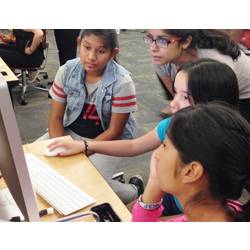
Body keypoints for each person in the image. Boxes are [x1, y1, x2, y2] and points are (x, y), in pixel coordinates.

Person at [47, 58, 240, 212]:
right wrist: (85, 145)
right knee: (119, 216)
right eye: (174, 93)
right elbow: (134, 146)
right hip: (167, 194)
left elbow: (199, 218)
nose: (172, 104)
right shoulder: (174, 125)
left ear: (211, 103)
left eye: (185, 97)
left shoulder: (222, 159)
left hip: (190, 210)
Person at [41, 29, 142, 204]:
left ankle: (132, 191)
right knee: (36, 169)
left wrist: (82, 150)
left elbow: (114, 132)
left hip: (106, 142)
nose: (91, 56)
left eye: (101, 51)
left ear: (113, 53)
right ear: (79, 43)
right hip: (69, 132)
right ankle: (112, 186)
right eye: (86, 47)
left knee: (83, 189)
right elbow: (55, 118)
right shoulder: (66, 71)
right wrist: (61, 148)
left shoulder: (122, 82)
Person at [132, 103, 250, 222]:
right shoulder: (232, 208)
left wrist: (154, 182)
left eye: (164, 146)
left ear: (191, 171)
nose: (157, 154)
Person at [145, 29, 250, 122]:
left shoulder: (215, 62)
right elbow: (177, 97)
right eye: (150, 38)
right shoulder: (161, 59)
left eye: (162, 40)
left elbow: (217, 112)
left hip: (242, 98)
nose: (152, 48)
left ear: (186, 41)